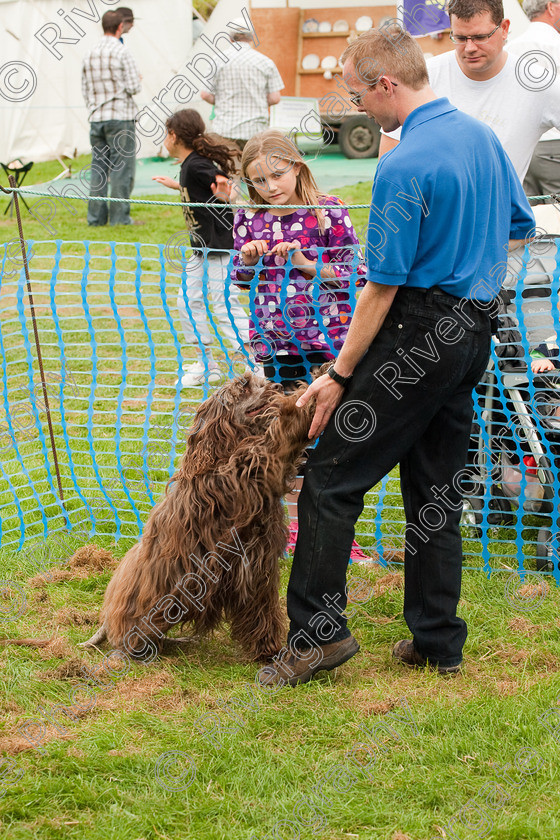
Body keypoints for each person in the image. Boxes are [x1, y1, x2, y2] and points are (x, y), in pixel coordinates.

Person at [258, 26, 535, 688]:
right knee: (435, 490)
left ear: (386, 84)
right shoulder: (482, 140)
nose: (361, 111)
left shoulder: (405, 162)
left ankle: (315, 638)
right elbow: (519, 226)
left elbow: (380, 287)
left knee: (330, 480)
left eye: (358, 97)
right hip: (474, 333)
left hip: (416, 333)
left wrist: (339, 374)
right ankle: (439, 641)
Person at [231, 129, 366, 556]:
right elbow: (240, 279)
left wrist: (306, 264)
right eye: (260, 181)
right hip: (278, 343)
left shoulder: (328, 212)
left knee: (334, 436)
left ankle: (337, 532)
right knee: (293, 433)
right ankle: (292, 527)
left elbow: (354, 276)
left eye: (277, 174)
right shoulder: (248, 218)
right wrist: (250, 263)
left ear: (297, 164)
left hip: (328, 343)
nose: (271, 187)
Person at [378, 0, 560, 184]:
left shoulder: (538, 82)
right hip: (430, 211)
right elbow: (389, 155)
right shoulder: (423, 76)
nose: (470, 48)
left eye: (480, 37)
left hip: (501, 212)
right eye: (460, 38)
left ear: (504, 28)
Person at [153, 109, 254, 388]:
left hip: (220, 249)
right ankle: (206, 365)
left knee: (224, 305)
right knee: (186, 302)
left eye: (166, 133)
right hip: (200, 250)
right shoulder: (188, 167)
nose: (165, 138)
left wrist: (229, 196)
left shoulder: (197, 165)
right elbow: (202, 189)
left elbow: (223, 185)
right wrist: (177, 185)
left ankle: (255, 364)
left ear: (174, 136)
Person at [81, 10, 141, 226]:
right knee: (121, 168)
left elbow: (85, 88)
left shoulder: (90, 52)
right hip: (120, 117)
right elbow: (134, 86)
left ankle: (95, 219)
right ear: (119, 27)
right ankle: (119, 218)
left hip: (97, 118)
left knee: (98, 168)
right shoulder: (122, 51)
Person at [200, 17, 284, 152]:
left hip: (225, 128)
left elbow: (205, 94)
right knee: (254, 170)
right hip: (256, 130)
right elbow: (275, 98)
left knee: (229, 170)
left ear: (230, 38)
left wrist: (223, 100)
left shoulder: (217, 60)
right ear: (251, 37)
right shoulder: (266, 62)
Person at [508, 0, 560, 204]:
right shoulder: (556, 45)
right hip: (553, 144)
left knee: (529, 216)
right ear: (551, 7)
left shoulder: (510, 47)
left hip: (520, 147)